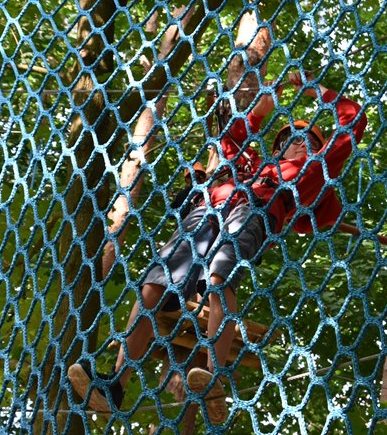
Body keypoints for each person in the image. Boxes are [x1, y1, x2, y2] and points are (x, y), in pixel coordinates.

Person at [68, 71, 367, 423]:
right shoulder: (249, 165)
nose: (301, 144)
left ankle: (212, 378)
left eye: (310, 142)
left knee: (218, 279)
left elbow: (353, 121)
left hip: (254, 212)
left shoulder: (314, 171)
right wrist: (261, 110)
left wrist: (315, 89)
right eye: (292, 138)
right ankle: (116, 385)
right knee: (154, 283)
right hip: (208, 210)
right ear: (278, 147)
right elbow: (230, 137)